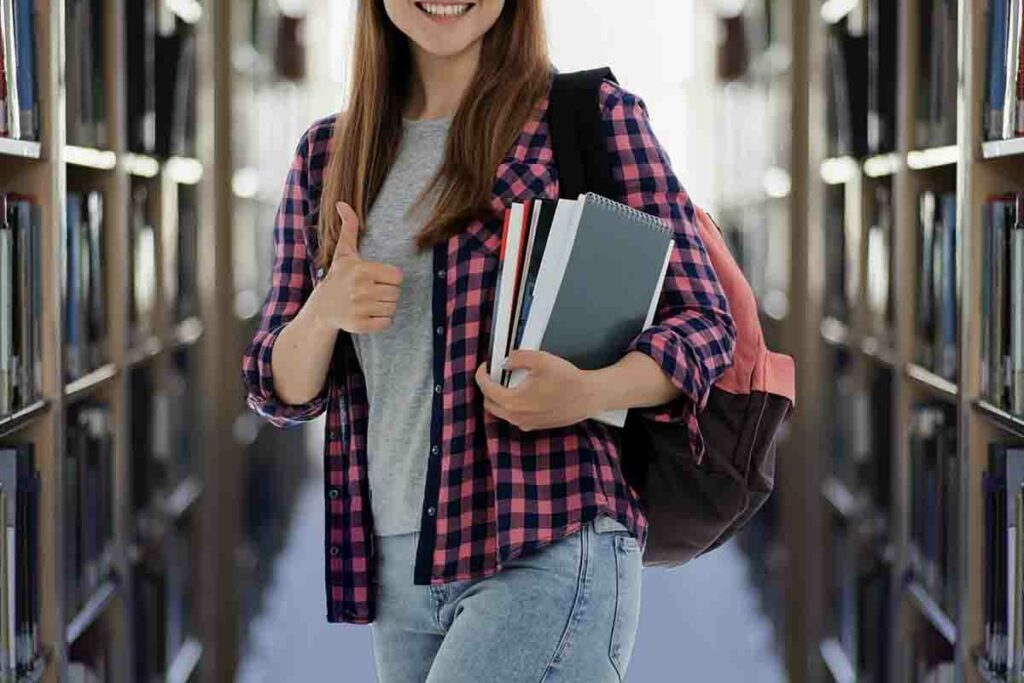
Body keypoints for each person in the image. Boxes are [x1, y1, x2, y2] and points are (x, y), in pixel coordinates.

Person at [241, 1, 736, 681]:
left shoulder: (587, 119)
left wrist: (589, 390)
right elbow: (279, 390)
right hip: (396, 571)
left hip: (546, 539)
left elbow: (706, 322)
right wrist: (324, 311)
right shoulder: (329, 153)